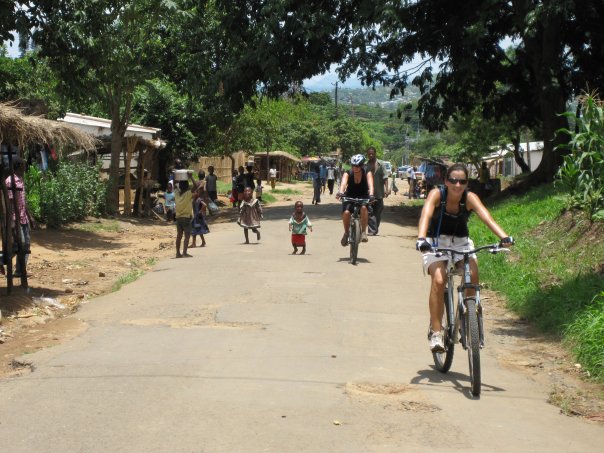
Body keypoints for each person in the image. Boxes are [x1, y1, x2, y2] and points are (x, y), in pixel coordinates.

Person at [416, 163, 514, 352]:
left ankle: (469, 319)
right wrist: (421, 238)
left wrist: (503, 237)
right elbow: (426, 214)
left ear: (467, 183)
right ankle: (436, 332)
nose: (457, 185)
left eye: (462, 181)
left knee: (473, 274)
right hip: (436, 242)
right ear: (446, 181)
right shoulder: (437, 194)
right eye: (453, 180)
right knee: (439, 279)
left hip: (461, 243)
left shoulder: (470, 198)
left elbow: (487, 217)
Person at [6, 157, 36, 277]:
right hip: (15, 219)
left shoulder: (20, 180)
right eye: (23, 165)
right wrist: (12, 221)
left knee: (26, 244)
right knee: (19, 244)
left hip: (23, 218)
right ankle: (6, 262)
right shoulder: (10, 181)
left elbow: (23, 202)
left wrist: (30, 217)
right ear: (18, 166)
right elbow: (9, 203)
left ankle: (20, 270)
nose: (25, 167)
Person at [335, 154, 375, 246]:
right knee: (346, 213)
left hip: (363, 196)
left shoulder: (367, 172)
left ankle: (364, 232)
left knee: (364, 208)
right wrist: (340, 192)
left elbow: (371, 185)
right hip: (349, 196)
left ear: (362, 166)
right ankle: (346, 233)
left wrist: (372, 195)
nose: (355, 168)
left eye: (357, 166)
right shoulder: (348, 173)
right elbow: (343, 184)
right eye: (353, 165)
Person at [365, 147, 390, 235]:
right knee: (370, 212)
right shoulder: (365, 165)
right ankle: (372, 231)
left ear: (375, 154)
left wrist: (387, 189)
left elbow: (385, 178)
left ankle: (374, 228)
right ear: (367, 154)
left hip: (379, 193)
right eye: (369, 154)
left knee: (378, 213)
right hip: (368, 193)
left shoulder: (381, 164)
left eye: (372, 153)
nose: (371, 155)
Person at [174, 175, 196, 258]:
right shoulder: (188, 193)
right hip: (186, 218)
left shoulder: (176, 193)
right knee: (187, 236)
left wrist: (176, 176)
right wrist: (191, 177)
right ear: (187, 187)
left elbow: (174, 184)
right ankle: (184, 253)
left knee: (179, 236)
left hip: (178, 218)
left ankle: (177, 253)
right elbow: (196, 186)